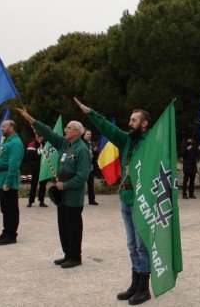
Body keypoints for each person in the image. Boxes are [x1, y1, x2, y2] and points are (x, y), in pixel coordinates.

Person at [72, 97, 152, 304]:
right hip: (126, 198)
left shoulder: (152, 142)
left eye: (134, 120)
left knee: (142, 246)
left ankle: (144, 288)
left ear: (144, 124)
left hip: (141, 200)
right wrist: (90, 112)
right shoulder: (126, 139)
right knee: (132, 244)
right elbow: (107, 127)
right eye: (130, 119)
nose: (130, 122)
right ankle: (135, 284)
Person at [18, 108, 91, 269]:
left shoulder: (82, 149)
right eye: (66, 127)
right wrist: (31, 120)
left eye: (69, 128)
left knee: (73, 227)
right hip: (61, 194)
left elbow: (82, 176)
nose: (66, 130)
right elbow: (48, 133)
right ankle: (67, 254)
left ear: (78, 132)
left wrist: (65, 185)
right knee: (63, 226)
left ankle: (75, 256)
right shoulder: (64, 144)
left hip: (72, 194)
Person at [0, 120, 24, 246]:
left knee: (11, 209)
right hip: (0, 178)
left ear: (11, 128)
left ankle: (11, 235)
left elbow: (13, 165)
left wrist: (8, 182)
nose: (1, 129)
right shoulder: (7, 142)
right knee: (5, 209)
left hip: (7, 180)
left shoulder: (16, 143)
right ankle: (6, 232)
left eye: (4, 126)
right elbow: (1, 161)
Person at [26, 135, 48, 208]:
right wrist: (38, 154)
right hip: (35, 168)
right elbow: (29, 156)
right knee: (33, 185)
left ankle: (41, 201)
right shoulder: (32, 144)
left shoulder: (46, 144)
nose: (40, 138)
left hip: (43, 168)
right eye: (39, 136)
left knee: (43, 185)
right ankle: (30, 202)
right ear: (36, 136)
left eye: (41, 136)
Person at [83, 129, 99, 205]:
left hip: (91, 167)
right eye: (87, 134)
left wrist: (95, 151)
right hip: (83, 167)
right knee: (81, 184)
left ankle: (92, 200)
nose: (89, 136)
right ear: (84, 135)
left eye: (90, 134)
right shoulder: (81, 143)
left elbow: (95, 156)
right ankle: (79, 200)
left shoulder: (93, 144)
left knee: (91, 184)